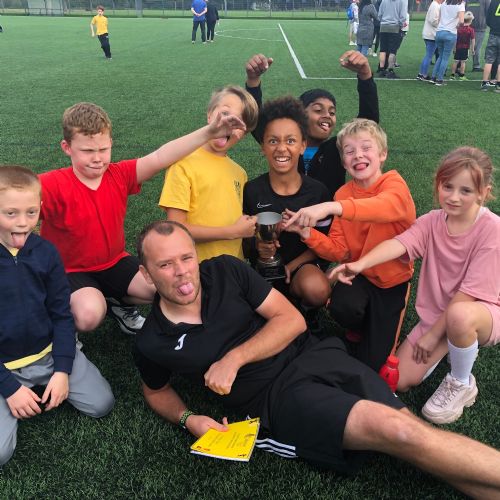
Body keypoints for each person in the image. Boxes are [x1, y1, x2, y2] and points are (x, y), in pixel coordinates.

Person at [133, 220, 500, 498]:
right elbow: (155, 391)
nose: (182, 271)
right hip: (274, 399)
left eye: (187, 257)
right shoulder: (152, 340)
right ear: (147, 274)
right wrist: (189, 419)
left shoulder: (225, 270)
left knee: (412, 431)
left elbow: (291, 320)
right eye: (165, 265)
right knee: (398, 431)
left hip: (315, 353)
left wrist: (235, 358)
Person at [39, 101, 246, 336]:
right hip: (69, 270)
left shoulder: (119, 174)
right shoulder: (50, 184)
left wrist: (208, 132)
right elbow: (13, 201)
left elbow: (160, 156)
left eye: (103, 149)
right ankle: (66, 333)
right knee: (89, 314)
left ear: (111, 143)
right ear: (67, 147)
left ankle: (119, 304)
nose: (97, 158)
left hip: (113, 262)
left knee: (165, 287)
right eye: (87, 151)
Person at [335, 146, 500, 425]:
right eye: (447, 186)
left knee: (460, 317)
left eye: (466, 191)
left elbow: (468, 296)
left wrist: (432, 336)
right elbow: (399, 243)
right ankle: (455, 344)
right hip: (439, 317)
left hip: (481, 312)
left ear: (483, 192)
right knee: (399, 380)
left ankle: (461, 381)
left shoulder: (493, 229)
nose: (454, 197)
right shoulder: (432, 221)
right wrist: (360, 264)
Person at [0, 166, 114, 466]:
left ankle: (55, 375)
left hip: (48, 353)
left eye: (31, 212)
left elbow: (62, 315)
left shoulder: (47, 253)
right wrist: (10, 389)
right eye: (10, 213)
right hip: (4, 366)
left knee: (102, 404)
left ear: (40, 208)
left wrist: (62, 370)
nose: (22, 222)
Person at [282, 119, 416, 373]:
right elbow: (339, 249)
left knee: (374, 365)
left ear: (382, 154)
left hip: (391, 282)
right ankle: (359, 323)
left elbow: (383, 207)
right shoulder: (343, 194)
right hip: (358, 274)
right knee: (342, 307)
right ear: (344, 162)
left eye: (366, 147)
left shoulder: (394, 185)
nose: (358, 155)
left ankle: (377, 327)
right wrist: (306, 232)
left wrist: (331, 207)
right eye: (349, 151)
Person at [242, 96, 331, 321]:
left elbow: (326, 244)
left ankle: (306, 312)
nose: (282, 148)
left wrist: (291, 266)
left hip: (300, 269)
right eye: (273, 141)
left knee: (317, 289)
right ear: (262, 146)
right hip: (262, 270)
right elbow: (243, 241)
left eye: (290, 141)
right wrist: (259, 246)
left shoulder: (318, 192)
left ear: (303, 146)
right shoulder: (251, 190)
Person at [245, 51, 379, 199]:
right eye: (318, 110)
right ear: (300, 116)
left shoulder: (337, 148)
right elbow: (255, 121)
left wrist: (365, 75)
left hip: (328, 213)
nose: (327, 115)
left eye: (332, 112)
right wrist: (253, 81)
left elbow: (368, 123)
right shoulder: (285, 145)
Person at [158, 86, 259, 263]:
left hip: (235, 266)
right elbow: (177, 229)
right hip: (198, 268)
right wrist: (232, 232)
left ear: (244, 133)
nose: (229, 123)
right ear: (209, 115)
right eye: (225, 113)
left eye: (239, 121)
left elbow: (232, 217)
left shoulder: (239, 172)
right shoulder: (182, 164)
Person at [431, 0, 466, 86]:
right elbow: (461, 21)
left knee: (440, 56)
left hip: (439, 32)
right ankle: (440, 79)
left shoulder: (444, 3)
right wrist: (457, 26)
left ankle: (433, 77)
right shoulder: (460, 5)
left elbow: (439, 19)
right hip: (450, 33)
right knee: (445, 58)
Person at [377, 0, 408, 78]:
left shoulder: (384, 1)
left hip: (383, 26)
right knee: (392, 51)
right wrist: (400, 25)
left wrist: (383, 21)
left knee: (383, 49)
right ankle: (390, 70)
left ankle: (381, 70)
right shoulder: (401, 1)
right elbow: (403, 16)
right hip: (395, 27)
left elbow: (379, 14)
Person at [417, 0, 444, 81]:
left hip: (429, 34)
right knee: (429, 56)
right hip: (431, 35)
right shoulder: (435, 5)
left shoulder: (435, 5)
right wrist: (442, 24)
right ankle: (424, 75)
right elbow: (433, 21)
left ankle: (421, 74)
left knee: (428, 55)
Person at [481, 0, 500, 91]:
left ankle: (484, 83)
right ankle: (498, 85)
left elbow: (488, 18)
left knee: (489, 60)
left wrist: (493, 26)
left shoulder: (494, 1)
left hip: (493, 34)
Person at [466, 0, 491, 71]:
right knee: (476, 47)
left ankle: (459, 65)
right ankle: (476, 66)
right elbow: (489, 12)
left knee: (464, 46)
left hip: (468, 25)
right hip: (479, 26)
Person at [450, 11, 476, 79]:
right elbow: (473, 40)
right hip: (465, 48)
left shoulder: (458, 28)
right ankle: (462, 75)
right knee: (463, 62)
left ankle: (452, 75)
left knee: (455, 61)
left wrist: (454, 48)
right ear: (470, 21)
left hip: (458, 47)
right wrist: (473, 49)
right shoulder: (471, 29)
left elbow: (455, 39)